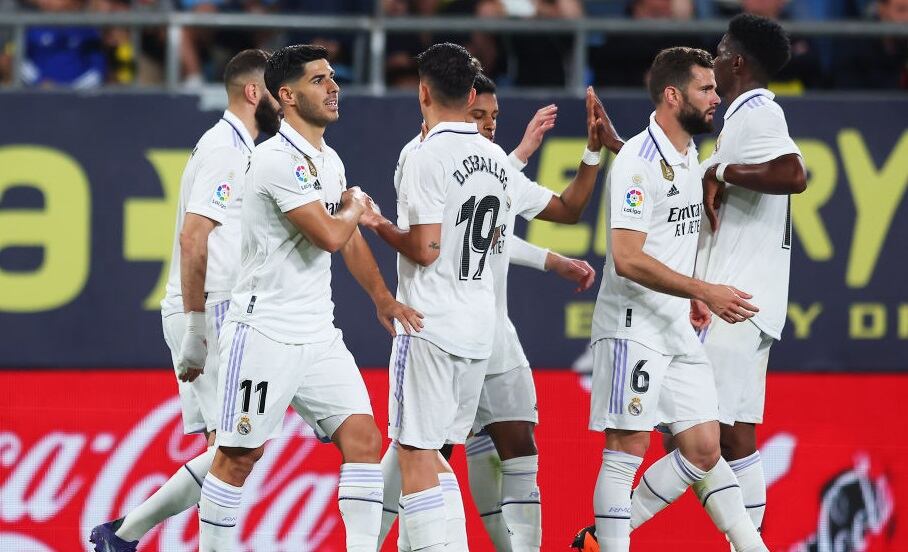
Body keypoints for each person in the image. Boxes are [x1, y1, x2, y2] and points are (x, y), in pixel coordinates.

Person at [196, 44, 421, 552]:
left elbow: (352, 239)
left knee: (363, 440)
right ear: (287, 96)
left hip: (318, 333)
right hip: (264, 331)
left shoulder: (329, 160)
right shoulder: (275, 159)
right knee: (237, 457)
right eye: (319, 80)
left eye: (333, 77)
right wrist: (354, 205)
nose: (333, 86)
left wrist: (383, 299)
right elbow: (331, 234)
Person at [372, 72, 603, 551]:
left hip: (483, 331)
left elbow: (476, 226)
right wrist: (520, 158)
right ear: (461, 104)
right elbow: (472, 215)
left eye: (494, 118)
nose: (487, 126)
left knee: (480, 449)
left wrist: (375, 223)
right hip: (450, 327)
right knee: (424, 454)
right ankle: (379, 542)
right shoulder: (421, 158)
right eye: (480, 116)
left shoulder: (470, 159)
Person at [89, 49, 280, 552]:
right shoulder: (225, 149)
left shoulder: (236, 148)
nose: (285, 102)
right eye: (276, 91)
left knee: (230, 449)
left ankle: (121, 537)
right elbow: (194, 238)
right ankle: (124, 534)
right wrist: (198, 325)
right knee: (242, 446)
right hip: (210, 306)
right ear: (252, 93)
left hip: (207, 306)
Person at [587, 47, 767, 552]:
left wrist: (687, 294)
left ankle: (599, 540)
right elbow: (627, 257)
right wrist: (700, 288)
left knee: (706, 447)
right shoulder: (639, 164)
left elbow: (662, 211)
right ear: (673, 95)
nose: (717, 98)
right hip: (632, 324)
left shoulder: (685, 154)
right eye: (706, 90)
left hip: (673, 323)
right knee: (627, 448)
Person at [696, 13, 807, 544]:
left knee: (695, 434)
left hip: (738, 301)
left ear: (737, 62)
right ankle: (753, 540)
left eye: (719, 50)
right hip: (747, 299)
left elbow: (793, 174)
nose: (713, 58)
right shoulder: (742, 116)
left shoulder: (758, 111)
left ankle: (610, 531)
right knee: (735, 436)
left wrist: (719, 171)